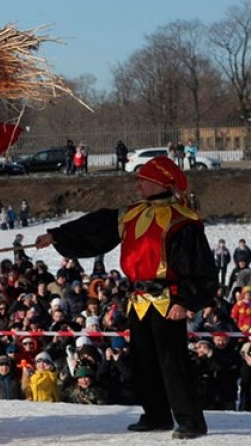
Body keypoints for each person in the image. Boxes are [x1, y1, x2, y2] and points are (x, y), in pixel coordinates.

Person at [34, 156, 217, 439]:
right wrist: (56, 235)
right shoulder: (130, 214)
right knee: (144, 360)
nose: (138, 183)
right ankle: (156, 414)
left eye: (143, 179)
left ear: (158, 182)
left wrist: (185, 301)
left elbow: (199, 266)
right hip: (139, 299)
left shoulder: (183, 221)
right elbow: (95, 227)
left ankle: (191, 421)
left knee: (173, 362)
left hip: (168, 299)